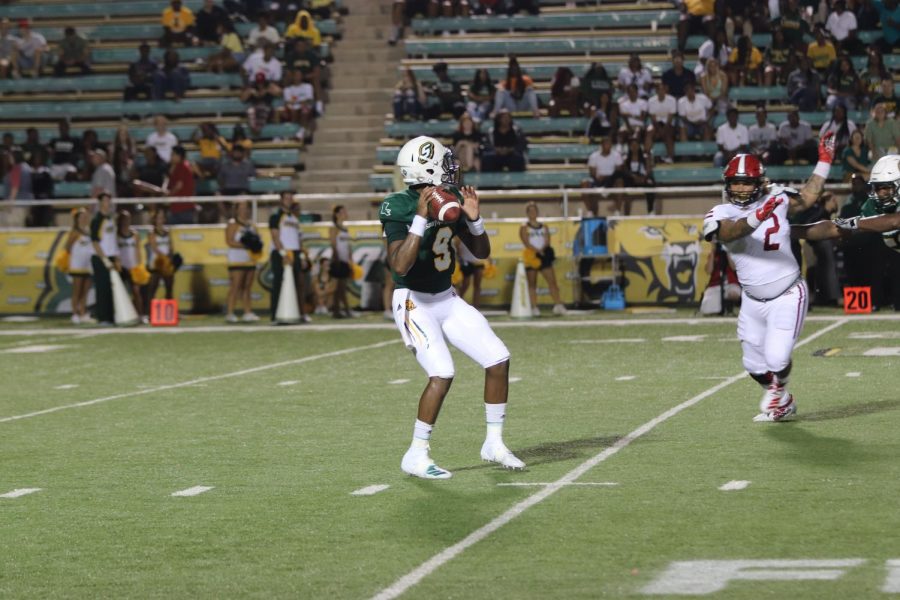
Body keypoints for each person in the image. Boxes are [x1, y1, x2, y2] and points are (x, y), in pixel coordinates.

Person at [380, 135, 525, 479]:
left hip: (447, 298)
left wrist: (474, 220)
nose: (451, 168)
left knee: (497, 359)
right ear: (426, 168)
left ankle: (494, 443)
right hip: (414, 301)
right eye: (444, 163)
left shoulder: (453, 199)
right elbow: (400, 265)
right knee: (442, 372)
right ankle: (416, 454)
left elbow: (482, 251)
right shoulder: (397, 206)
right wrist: (420, 218)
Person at [701, 132, 836, 421]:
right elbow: (729, 232)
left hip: (787, 291)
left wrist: (824, 161)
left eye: (746, 181)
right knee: (753, 365)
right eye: (735, 182)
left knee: (776, 358)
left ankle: (780, 391)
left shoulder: (776, 196)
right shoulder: (720, 212)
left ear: (758, 182)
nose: (739, 188)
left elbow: (809, 196)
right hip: (752, 299)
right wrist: (758, 215)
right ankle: (783, 400)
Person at [269, 191, 310, 322]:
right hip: (282, 252)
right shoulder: (276, 216)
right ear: (281, 200)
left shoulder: (294, 218)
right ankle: (275, 315)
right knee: (279, 284)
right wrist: (283, 254)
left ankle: (299, 313)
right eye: (286, 198)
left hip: (295, 252)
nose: (289, 200)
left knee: (299, 284)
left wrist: (302, 256)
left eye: (290, 198)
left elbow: (299, 239)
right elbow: (275, 237)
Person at [520, 202, 566, 316]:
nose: (533, 213)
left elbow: (547, 240)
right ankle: (534, 307)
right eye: (530, 211)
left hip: (543, 255)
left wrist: (542, 249)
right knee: (532, 283)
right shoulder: (524, 227)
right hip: (532, 256)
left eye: (534, 210)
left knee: (552, 281)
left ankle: (558, 305)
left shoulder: (544, 226)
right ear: (527, 213)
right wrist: (536, 250)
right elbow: (526, 241)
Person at [225, 201, 260, 322]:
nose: (245, 211)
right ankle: (230, 312)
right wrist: (245, 245)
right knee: (235, 286)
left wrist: (255, 244)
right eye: (242, 208)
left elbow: (257, 240)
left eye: (246, 208)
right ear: (237, 210)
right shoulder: (233, 224)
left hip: (250, 259)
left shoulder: (251, 225)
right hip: (237, 260)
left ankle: (247, 312)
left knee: (247, 287)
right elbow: (229, 241)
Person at [90, 193, 120, 325]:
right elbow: (95, 242)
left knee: (111, 288)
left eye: (109, 200)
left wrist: (117, 257)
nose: (108, 203)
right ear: (100, 203)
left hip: (111, 256)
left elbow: (113, 240)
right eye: (105, 200)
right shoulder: (97, 220)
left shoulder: (111, 219)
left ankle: (111, 316)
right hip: (101, 258)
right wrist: (105, 259)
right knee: (102, 288)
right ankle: (103, 317)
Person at [65, 208, 95, 324]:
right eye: (81, 217)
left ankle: (83, 311)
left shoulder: (89, 231)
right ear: (77, 219)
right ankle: (74, 313)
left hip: (88, 264)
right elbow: (67, 247)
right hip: (77, 264)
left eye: (85, 217)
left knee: (85, 290)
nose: (84, 219)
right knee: (77, 290)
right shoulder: (74, 232)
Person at [117, 210, 146, 323]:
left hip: (133, 267)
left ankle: (140, 314)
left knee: (136, 292)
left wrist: (139, 265)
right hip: (122, 267)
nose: (126, 222)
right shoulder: (116, 234)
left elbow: (138, 250)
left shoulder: (134, 234)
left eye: (128, 219)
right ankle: (122, 315)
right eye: (124, 219)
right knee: (121, 292)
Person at [329, 205, 354, 318]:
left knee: (342, 287)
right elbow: (334, 244)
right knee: (338, 287)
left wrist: (350, 258)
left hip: (344, 260)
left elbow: (347, 246)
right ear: (337, 214)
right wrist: (336, 258)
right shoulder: (334, 228)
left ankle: (342, 310)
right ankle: (338, 310)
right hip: (338, 260)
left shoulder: (344, 229)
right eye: (343, 212)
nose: (346, 213)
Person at [147, 208, 175, 301]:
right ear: (154, 220)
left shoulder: (167, 232)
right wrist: (164, 257)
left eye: (162, 218)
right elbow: (154, 248)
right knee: (153, 288)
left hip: (166, 264)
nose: (160, 220)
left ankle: (170, 312)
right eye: (158, 218)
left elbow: (171, 247)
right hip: (156, 263)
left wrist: (169, 258)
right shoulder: (152, 233)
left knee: (169, 287)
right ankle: (149, 312)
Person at [645, 82, 676, 163]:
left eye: (663, 90)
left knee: (668, 133)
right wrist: (659, 130)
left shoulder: (672, 100)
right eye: (659, 90)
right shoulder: (651, 101)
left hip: (668, 123)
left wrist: (664, 130)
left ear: (665, 90)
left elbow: (670, 117)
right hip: (656, 124)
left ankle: (670, 157)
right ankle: (647, 156)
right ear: (656, 91)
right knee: (649, 132)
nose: (661, 92)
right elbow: (653, 118)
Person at [166, 146, 197, 225]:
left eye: (173, 155)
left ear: (179, 156)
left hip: (183, 209)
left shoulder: (182, 166)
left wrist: (168, 196)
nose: (171, 157)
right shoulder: (179, 166)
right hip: (179, 207)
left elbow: (179, 185)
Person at [453, 237, 484, 309]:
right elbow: (457, 246)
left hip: (479, 262)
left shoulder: (478, 233)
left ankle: (476, 307)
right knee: (465, 284)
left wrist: (489, 258)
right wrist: (461, 258)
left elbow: (484, 246)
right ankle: (457, 304)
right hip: (467, 262)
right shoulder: (461, 233)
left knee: (477, 286)